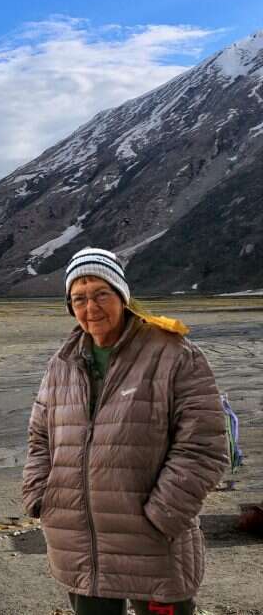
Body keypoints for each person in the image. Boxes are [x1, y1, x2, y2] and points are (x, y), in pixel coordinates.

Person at [22, 247, 228, 615]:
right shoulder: (63, 363)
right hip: (80, 546)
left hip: (153, 543)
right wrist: (41, 495)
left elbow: (204, 445)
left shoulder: (174, 354)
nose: (91, 308)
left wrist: (163, 515)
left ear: (122, 295)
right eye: (79, 298)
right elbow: (40, 437)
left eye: (101, 294)